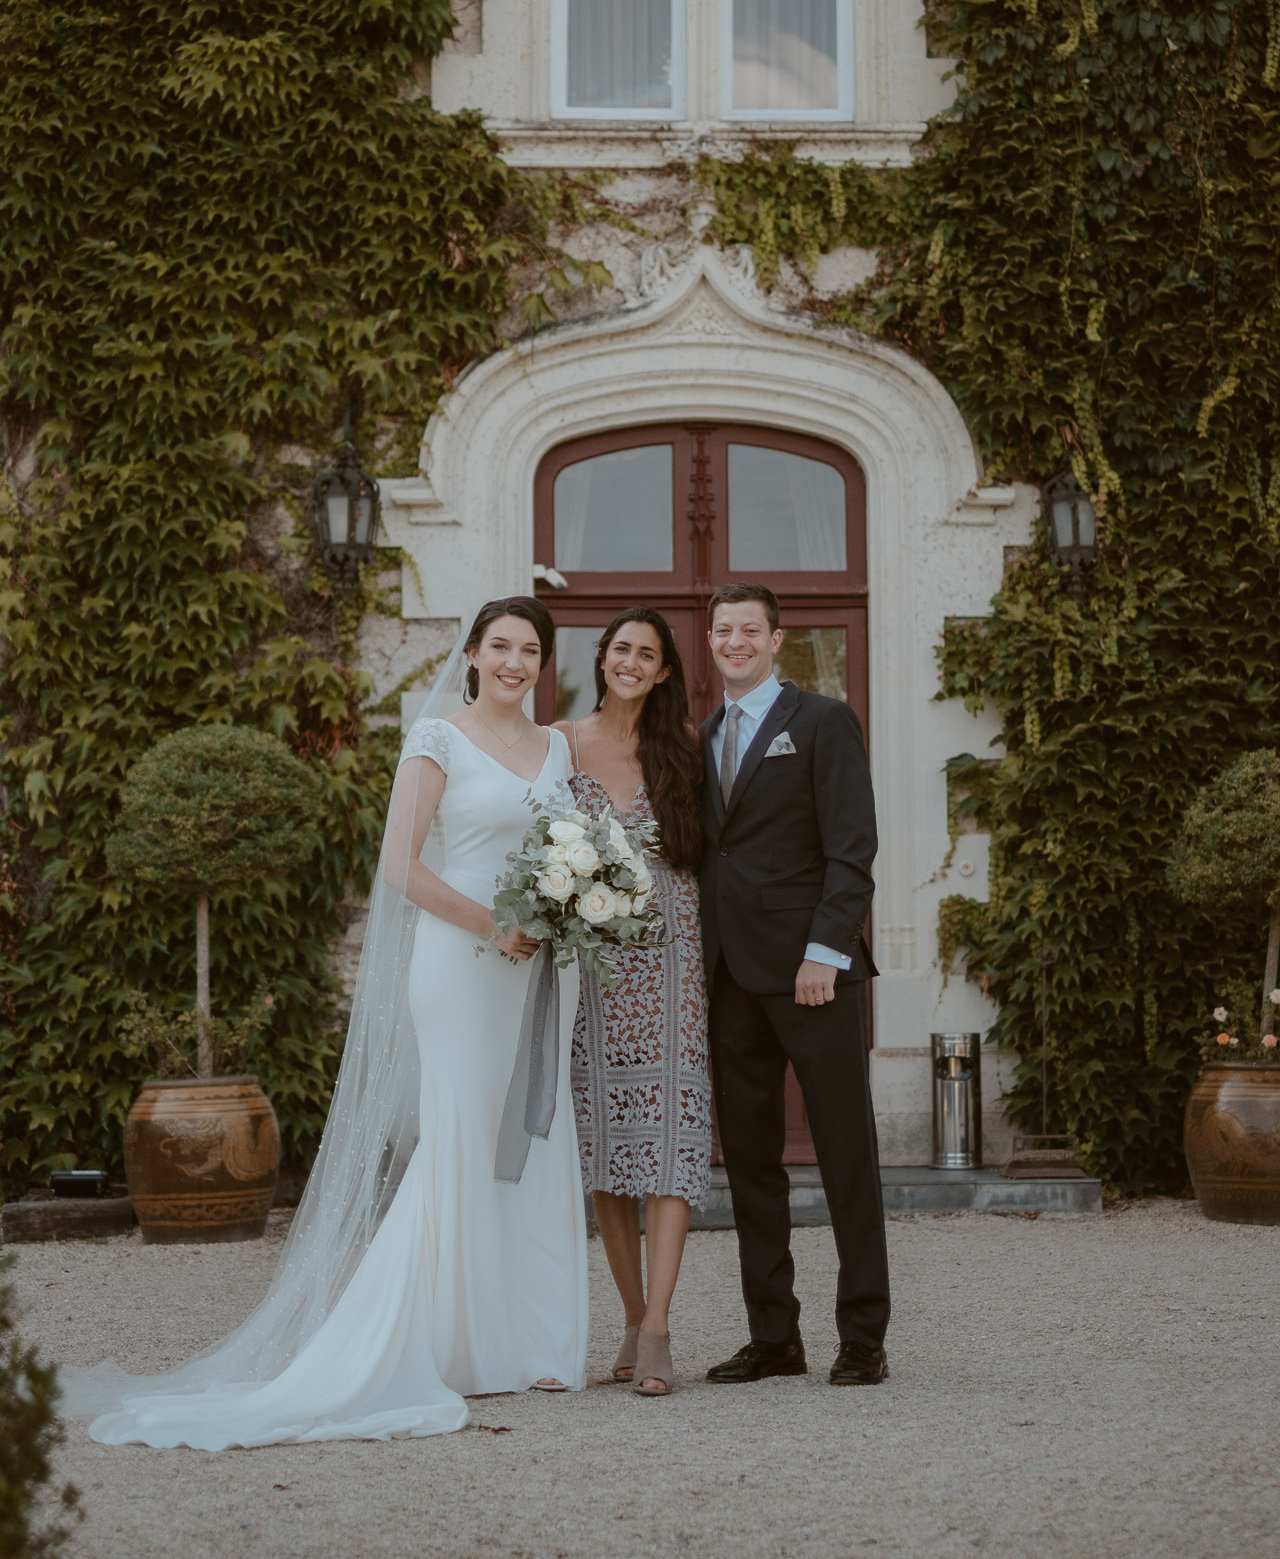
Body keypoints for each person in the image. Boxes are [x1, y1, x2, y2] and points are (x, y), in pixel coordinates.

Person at [65, 596, 588, 1447]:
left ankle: (538, 1345)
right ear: (474, 655)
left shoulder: (558, 746)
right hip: (463, 966)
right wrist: (492, 923)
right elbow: (399, 867)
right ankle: (451, 1345)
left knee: (534, 1133)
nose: (515, 663)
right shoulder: (439, 741)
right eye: (501, 646)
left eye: (530, 649)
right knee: (459, 1138)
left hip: (537, 977)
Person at [698, 582, 890, 1388]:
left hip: (814, 977)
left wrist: (827, 951)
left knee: (846, 1154)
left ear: (776, 641)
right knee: (748, 1163)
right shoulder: (702, 735)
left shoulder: (821, 722)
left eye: (749, 630)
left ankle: (864, 1338)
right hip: (730, 977)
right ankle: (774, 1336)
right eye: (722, 630)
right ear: (709, 642)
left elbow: (852, 849)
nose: (734, 641)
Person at [556, 605, 710, 1398]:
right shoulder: (562, 744)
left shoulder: (685, 748)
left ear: (662, 672)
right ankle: (627, 1314)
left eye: (647, 654)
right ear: (603, 657)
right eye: (621, 648)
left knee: (673, 1134)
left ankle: (658, 1325)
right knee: (607, 1147)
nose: (631, 662)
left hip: (674, 967)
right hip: (593, 973)